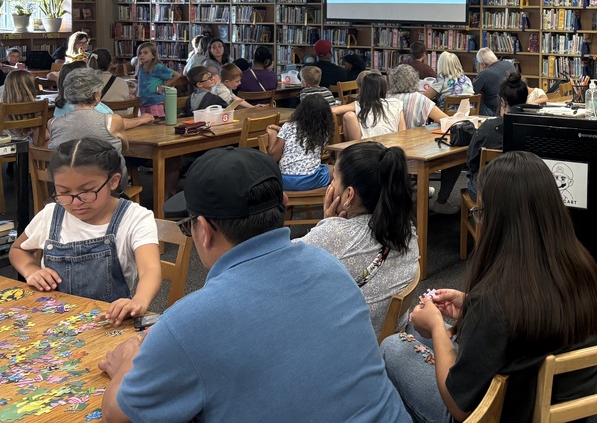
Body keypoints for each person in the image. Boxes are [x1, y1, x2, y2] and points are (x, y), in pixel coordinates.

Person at [98, 147, 411, 423]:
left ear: (203, 230)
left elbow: (116, 415)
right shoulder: (330, 266)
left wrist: (126, 361)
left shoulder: (189, 321)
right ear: (284, 203)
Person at [381, 151, 597, 423]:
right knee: (414, 333)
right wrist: (470, 305)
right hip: (577, 412)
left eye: (479, 213)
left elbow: (460, 408)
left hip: (499, 415)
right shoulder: (584, 268)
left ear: (497, 220)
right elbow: (536, 316)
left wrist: (438, 327)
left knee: (393, 347)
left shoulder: (495, 298)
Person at [10, 137, 160, 325]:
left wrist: (140, 300)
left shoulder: (135, 217)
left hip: (109, 322)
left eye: (87, 191)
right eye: (64, 192)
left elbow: (150, 269)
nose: (76, 202)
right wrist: (30, 270)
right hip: (53, 321)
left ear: (113, 181)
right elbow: (18, 250)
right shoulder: (51, 214)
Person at [296, 141, 418, 334]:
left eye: (334, 179)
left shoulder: (336, 235)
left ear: (349, 195)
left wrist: (327, 223)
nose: (330, 185)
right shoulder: (406, 229)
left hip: (351, 339)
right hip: (390, 332)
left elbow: (281, 263)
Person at [432, 71, 529, 215]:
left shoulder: (488, 128)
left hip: (488, 191)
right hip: (523, 189)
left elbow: (471, 161)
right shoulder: (532, 128)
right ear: (526, 99)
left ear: (502, 101)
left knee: (473, 174)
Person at [48, 69, 153, 160]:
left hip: (67, 176)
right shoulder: (113, 121)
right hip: (106, 175)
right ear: (97, 96)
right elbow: (125, 149)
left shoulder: (53, 123)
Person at [265, 95, 334, 190]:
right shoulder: (323, 132)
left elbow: (274, 156)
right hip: (311, 179)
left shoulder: (288, 126)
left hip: (285, 180)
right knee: (337, 171)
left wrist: (273, 134)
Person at [343, 71, 406, 141]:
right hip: (394, 145)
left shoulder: (360, 104)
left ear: (363, 89)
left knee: (348, 115)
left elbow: (335, 110)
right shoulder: (396, 103)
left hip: (366, 146)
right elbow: (402, 133)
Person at [389, 63, 444, 129]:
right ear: (415, 80)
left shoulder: (387, 99)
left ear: (393, 81)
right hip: (417, 135)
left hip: (393, 135)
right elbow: (445, 119)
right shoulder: (421, 99)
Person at [135, 41, 181, 118]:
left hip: (155, 102)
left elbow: (177, 75)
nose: (141, 55)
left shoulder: (157, 67)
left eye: (145, 53)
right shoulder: (140, 68)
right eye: (140, 53)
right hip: (143, 102)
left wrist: (164, 86)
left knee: (155, 121)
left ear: (153, 55)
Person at [472, 47, 516, 116]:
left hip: (493, 111)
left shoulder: (484, 73)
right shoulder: (509, 65)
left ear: (483, 64)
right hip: (510, 108)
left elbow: (472, 92)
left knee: (474, 102)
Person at [1, 69, 42, 141]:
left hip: (5, 143)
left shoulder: (2, 104)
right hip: (27, 143)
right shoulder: (36, 104)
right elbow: (37, 138)